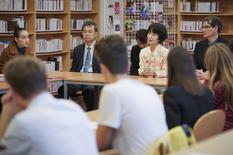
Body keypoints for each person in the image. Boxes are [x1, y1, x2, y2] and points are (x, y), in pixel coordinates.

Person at [0, 57, 98, 155]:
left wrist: (5, 113)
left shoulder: (23, 122)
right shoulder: (73, 108)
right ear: (47, 83)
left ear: (13, 92)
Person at [95, 35, 168, 155]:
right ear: (128, 65)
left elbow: (100, 144)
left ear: (103, 68)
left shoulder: (111, 91)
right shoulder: (147, 90)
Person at [163, 46, 213, 129]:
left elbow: (172, 130)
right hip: (206, 139)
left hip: (186, 140)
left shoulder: (172, 94)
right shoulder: (207, 92)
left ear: (171, 66)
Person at [58, 21, 100, 111]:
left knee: (89, 90)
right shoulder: (78, 49)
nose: (87, 34)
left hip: (93, 79)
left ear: (96, 34)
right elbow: (73, 69)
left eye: (90, 31)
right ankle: (65, 113)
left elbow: (103, 70)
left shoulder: (101, 49)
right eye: (84, 32)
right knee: (63, 89)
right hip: (79, 78)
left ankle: (91, 114)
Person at [204, 43, 233, 131]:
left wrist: (207, 80)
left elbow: (206, 105)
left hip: (222, 131)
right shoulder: (228, 80)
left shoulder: (219, 86)